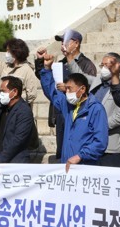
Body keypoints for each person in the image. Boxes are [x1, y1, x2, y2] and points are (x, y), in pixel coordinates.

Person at [35, 29, 97, 160]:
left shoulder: (87, 64)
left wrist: (67, 89)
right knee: (62, 150)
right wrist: (42, 63)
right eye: (61, 42)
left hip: (79, 113)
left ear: (76, 43)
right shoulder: (61, 63)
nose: (62, 44)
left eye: (65, 41)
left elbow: (90, 87)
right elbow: (47, 82)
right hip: (61, 113)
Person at [40, 54, 108, 171]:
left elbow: (100, 142)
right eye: (65, 88)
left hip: (85, 167)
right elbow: (52, 92)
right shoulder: (68, 105)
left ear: (82, 89)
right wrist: (47, 69)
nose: (66, 92)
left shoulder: (96, 109)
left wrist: (80, 156)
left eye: (69, 89)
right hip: (67, 165)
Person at [64, 52, 120, 167]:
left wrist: (99, 125)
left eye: (107, 65)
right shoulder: (99, 80)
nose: (104, 68)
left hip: (111, 147)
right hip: (91, 145)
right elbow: (80, 76)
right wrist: (70, 58)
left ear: (118, 66)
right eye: (102, 65)